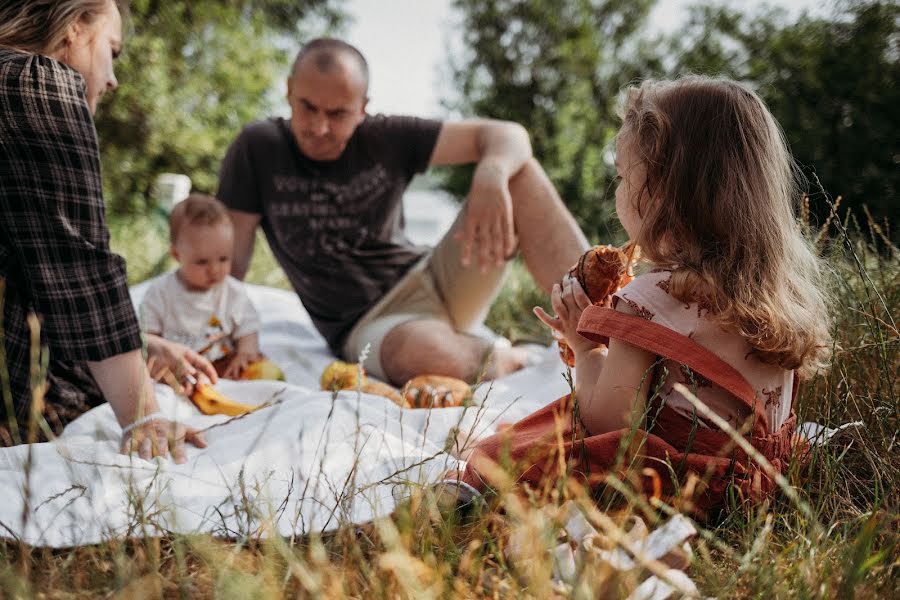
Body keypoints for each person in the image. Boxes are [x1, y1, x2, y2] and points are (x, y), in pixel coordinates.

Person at [445, 76, 833, 511]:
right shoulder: (779, 293)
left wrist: (585, 347)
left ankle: (474, 486)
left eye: (622, 176)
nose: (617, 191)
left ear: (660, 194)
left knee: (544, 434)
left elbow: (608, 422)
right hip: (760, 483)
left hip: (678, 487)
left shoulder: (651, 298)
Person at [218, 37, 590, 386]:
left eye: (338, 114)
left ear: (363, 108)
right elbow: (230, 261)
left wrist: (491, 173)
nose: (319, 127)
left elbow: (509, 134)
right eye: (308, 108)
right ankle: (512, 358)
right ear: (288, 91)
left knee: (518, 171)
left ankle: (602, 325)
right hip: (371, 322)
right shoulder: (258, 148)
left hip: (435, 275)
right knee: (424, 352)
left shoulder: (385, 137)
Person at [0, 0, 215, 461]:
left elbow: (31, 272)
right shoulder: (36, 82)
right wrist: (143, 417)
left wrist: (141, 344)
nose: (113, 78)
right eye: (112, 50)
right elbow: (79, 270)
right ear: (76, 27)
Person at [140, 194, 263, 379]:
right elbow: (147, 338)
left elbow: (248, 329)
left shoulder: (233, 293)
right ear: (176, 254)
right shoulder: (160, 292)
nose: (214, 270)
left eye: (223, 259)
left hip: (224, 367)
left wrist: (246, 352)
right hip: (178, 368)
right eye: (202, 262)